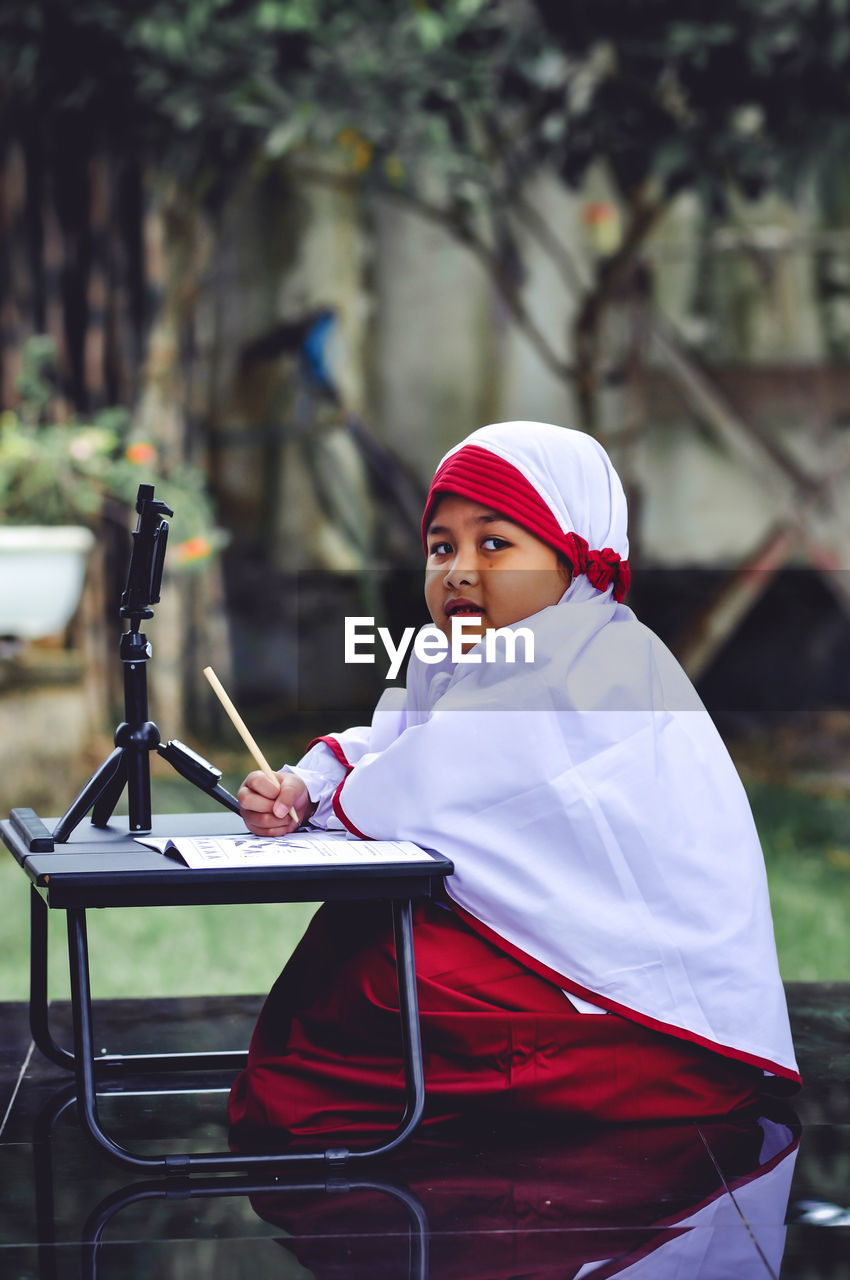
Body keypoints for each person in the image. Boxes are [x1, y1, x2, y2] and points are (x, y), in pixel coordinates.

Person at [228, 420, 800, 1144]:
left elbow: (431, 778)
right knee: (366, 940)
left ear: (572, 559)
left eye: (494, 543)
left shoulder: (585, 657)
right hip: (585, 936)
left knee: (380, 970)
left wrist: (328, 800)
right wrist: (308, 784)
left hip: (651, 995)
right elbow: (399, 738)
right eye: (442, 547)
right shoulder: (476, 647)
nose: (460, 570)